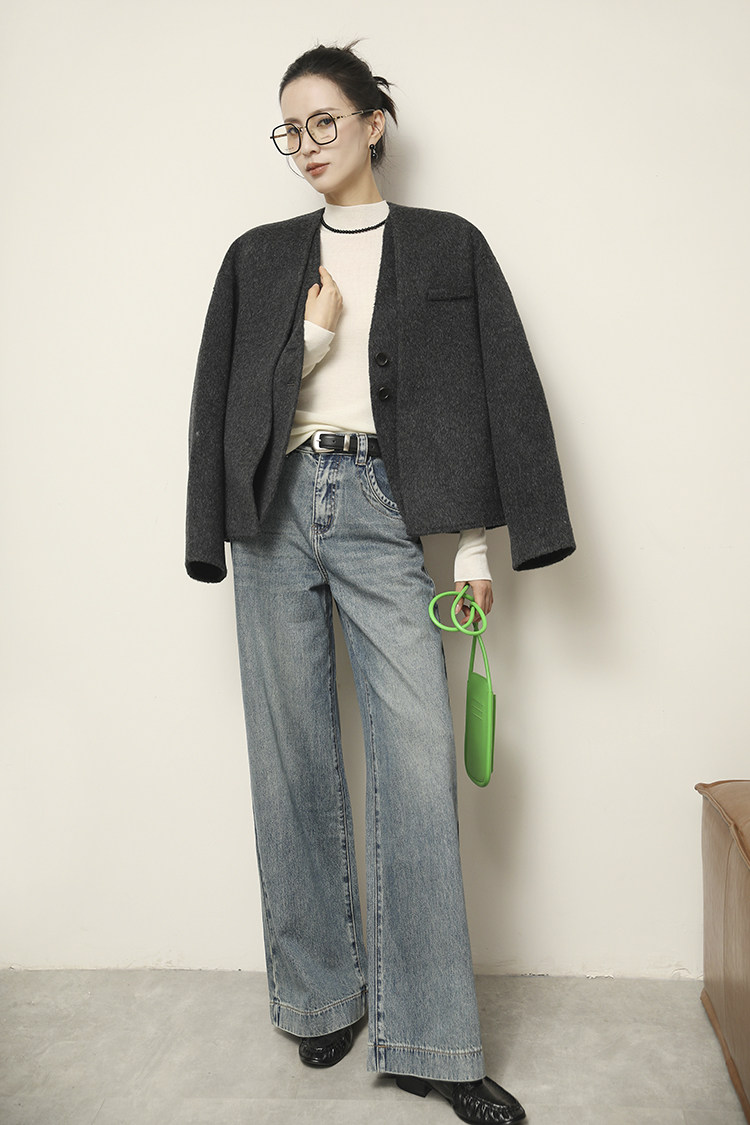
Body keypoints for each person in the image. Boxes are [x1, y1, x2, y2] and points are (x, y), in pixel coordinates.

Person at [186, 41, 575, 1125]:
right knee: (291, 760)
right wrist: (311, 342)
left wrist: (470, 550)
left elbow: (483, 396)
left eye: (323, 121)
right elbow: (226, 405)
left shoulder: (448, 245)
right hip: (274, 513)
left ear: (373, 123)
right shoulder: (259, 256)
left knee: (414, 760)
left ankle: (433, 1043)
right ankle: (320, 996)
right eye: (290, 129)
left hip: (381, 508)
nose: (306, 144)